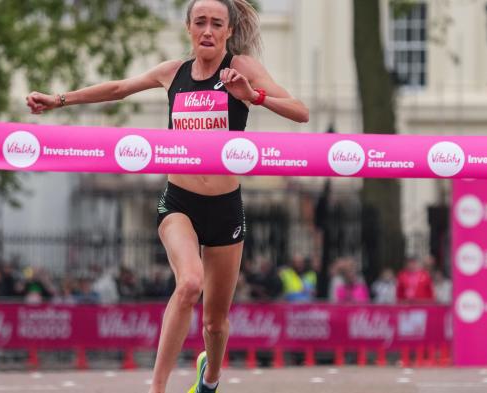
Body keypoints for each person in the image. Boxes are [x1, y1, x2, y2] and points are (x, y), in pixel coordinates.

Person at [26, 1, 308, 391]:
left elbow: (300, 112)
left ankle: (209, 378)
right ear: (189, 28)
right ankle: (157, 388)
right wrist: (59, 100)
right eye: (200, 23)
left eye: (216, 24)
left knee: (215, 323)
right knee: (189, 283)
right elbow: (120, 89)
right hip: (179, 202)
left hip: (226, 207)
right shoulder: (173, 73)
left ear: (228, 31)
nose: (207, 31)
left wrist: (253, 95)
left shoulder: (241, 68)